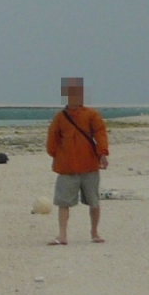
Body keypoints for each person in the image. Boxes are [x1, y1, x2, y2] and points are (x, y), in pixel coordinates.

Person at [45, 77, 108, 245]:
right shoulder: (60, 117)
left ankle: (94, 232)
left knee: (93, 201)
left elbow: (100, 133)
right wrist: (55, 156)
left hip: (89, 166)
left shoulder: (91, 115)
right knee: (63, 202)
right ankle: (62, 235)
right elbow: (52, 139)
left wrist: (103, 153)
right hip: (67, 167)